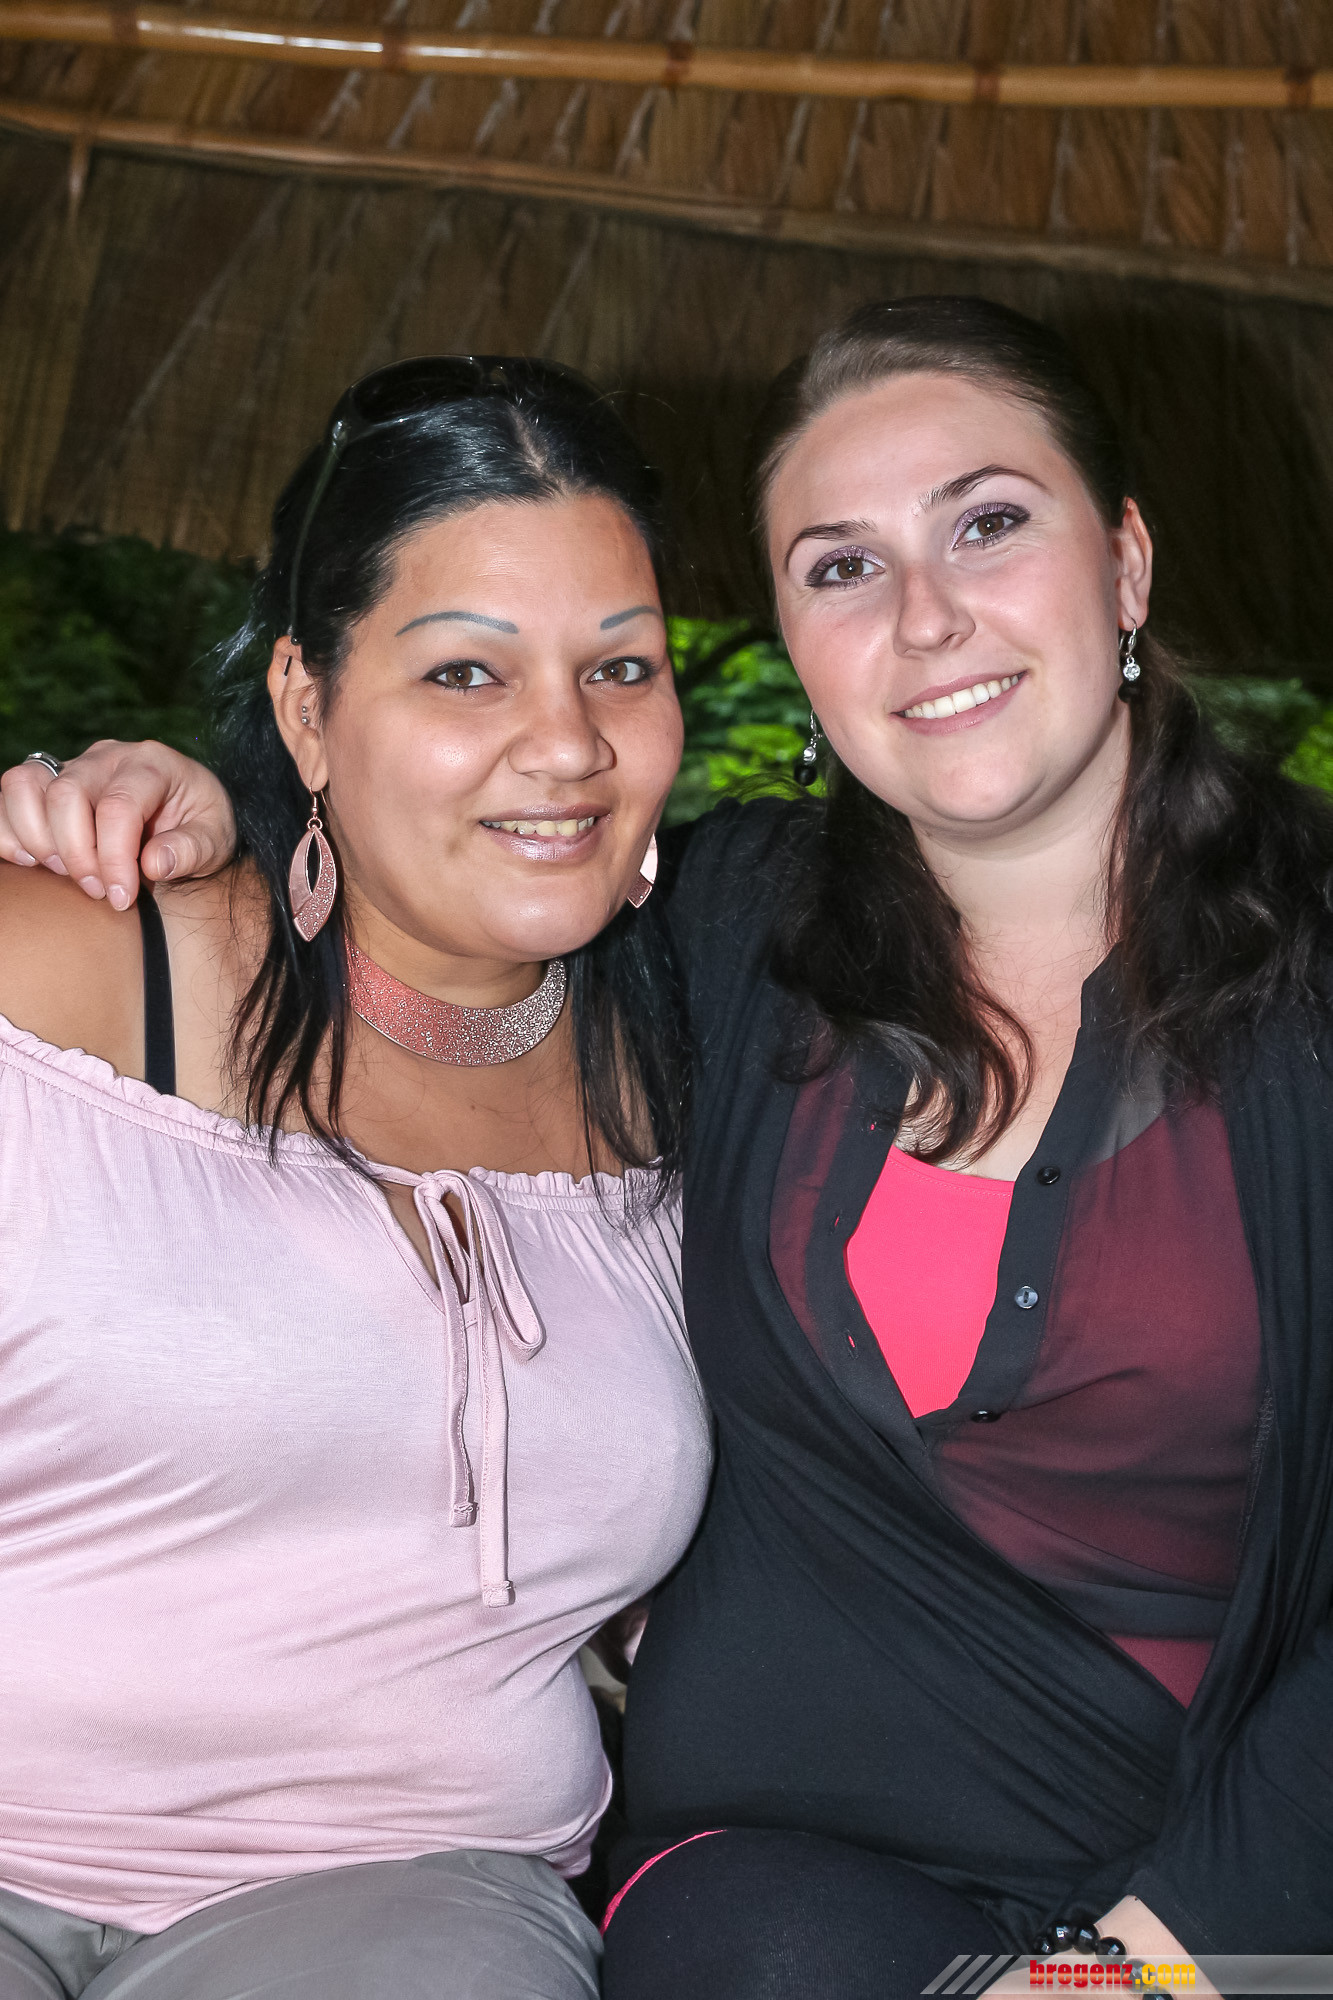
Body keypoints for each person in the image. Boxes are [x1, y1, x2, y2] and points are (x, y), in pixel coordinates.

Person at [9, 298, 1333, 1994]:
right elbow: (417, 896)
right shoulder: (729, 943)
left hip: (1224, 1893)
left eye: (988, 524)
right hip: (777, 1894)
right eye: (841, 566)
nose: (926, 616)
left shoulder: (1287, 976)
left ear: (1125, 564)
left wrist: (1148, 1969)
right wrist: (188, 804)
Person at [0, 356, 713, 2000]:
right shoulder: (76, 968)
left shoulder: (708, 1056)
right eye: (466, 672)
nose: (566, 745)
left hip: (403, 1898)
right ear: (308, 706)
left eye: (620, 667)